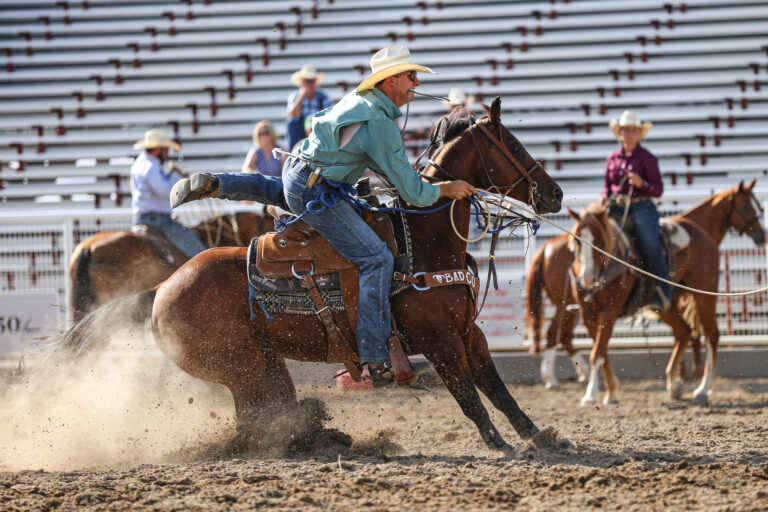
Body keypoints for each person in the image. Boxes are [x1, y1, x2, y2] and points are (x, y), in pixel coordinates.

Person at [170, 45, 477, 385]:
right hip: (321, 189)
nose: (416, 83)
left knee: (280, 190)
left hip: (300, 171)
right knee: (376, 258)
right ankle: (375, 357)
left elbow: (376, 162)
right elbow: (414, 194)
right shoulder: (382, 124)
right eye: (411, 76)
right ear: (390, 81)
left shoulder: (357, 103)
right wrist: (447, 188)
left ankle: (217, 183)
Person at [601, 110, 670, 312]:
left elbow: (658, 190)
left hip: (642, 207)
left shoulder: (648, 158)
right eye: (625, 130)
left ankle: (662, 291)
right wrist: (605, 195)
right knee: (596, 235)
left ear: (639, 133)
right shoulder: (612, 159)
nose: (629, 133)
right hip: (616, 208)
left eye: (633, 130)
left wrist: (642, 183)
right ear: (620, 132)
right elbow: (607, 185)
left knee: (649, 242)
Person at [130, 129, 207, 258]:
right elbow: (166, 191)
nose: (166, 154)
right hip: (157, 219)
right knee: (198, 251)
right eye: (165, 150)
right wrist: (175, 174)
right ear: (157, 149)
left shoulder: (140, 164)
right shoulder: (151, 166)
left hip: (144, 217)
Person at [286, 64, 331, 151]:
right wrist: (300, 97)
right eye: (308, 81)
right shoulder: (295, 96)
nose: (310, 84)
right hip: (300, 132)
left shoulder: (323, 96)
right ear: (302, 82)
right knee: (291, 122)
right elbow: (292, 114)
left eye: (312, 81)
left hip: (318, 130)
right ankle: (295, 153)